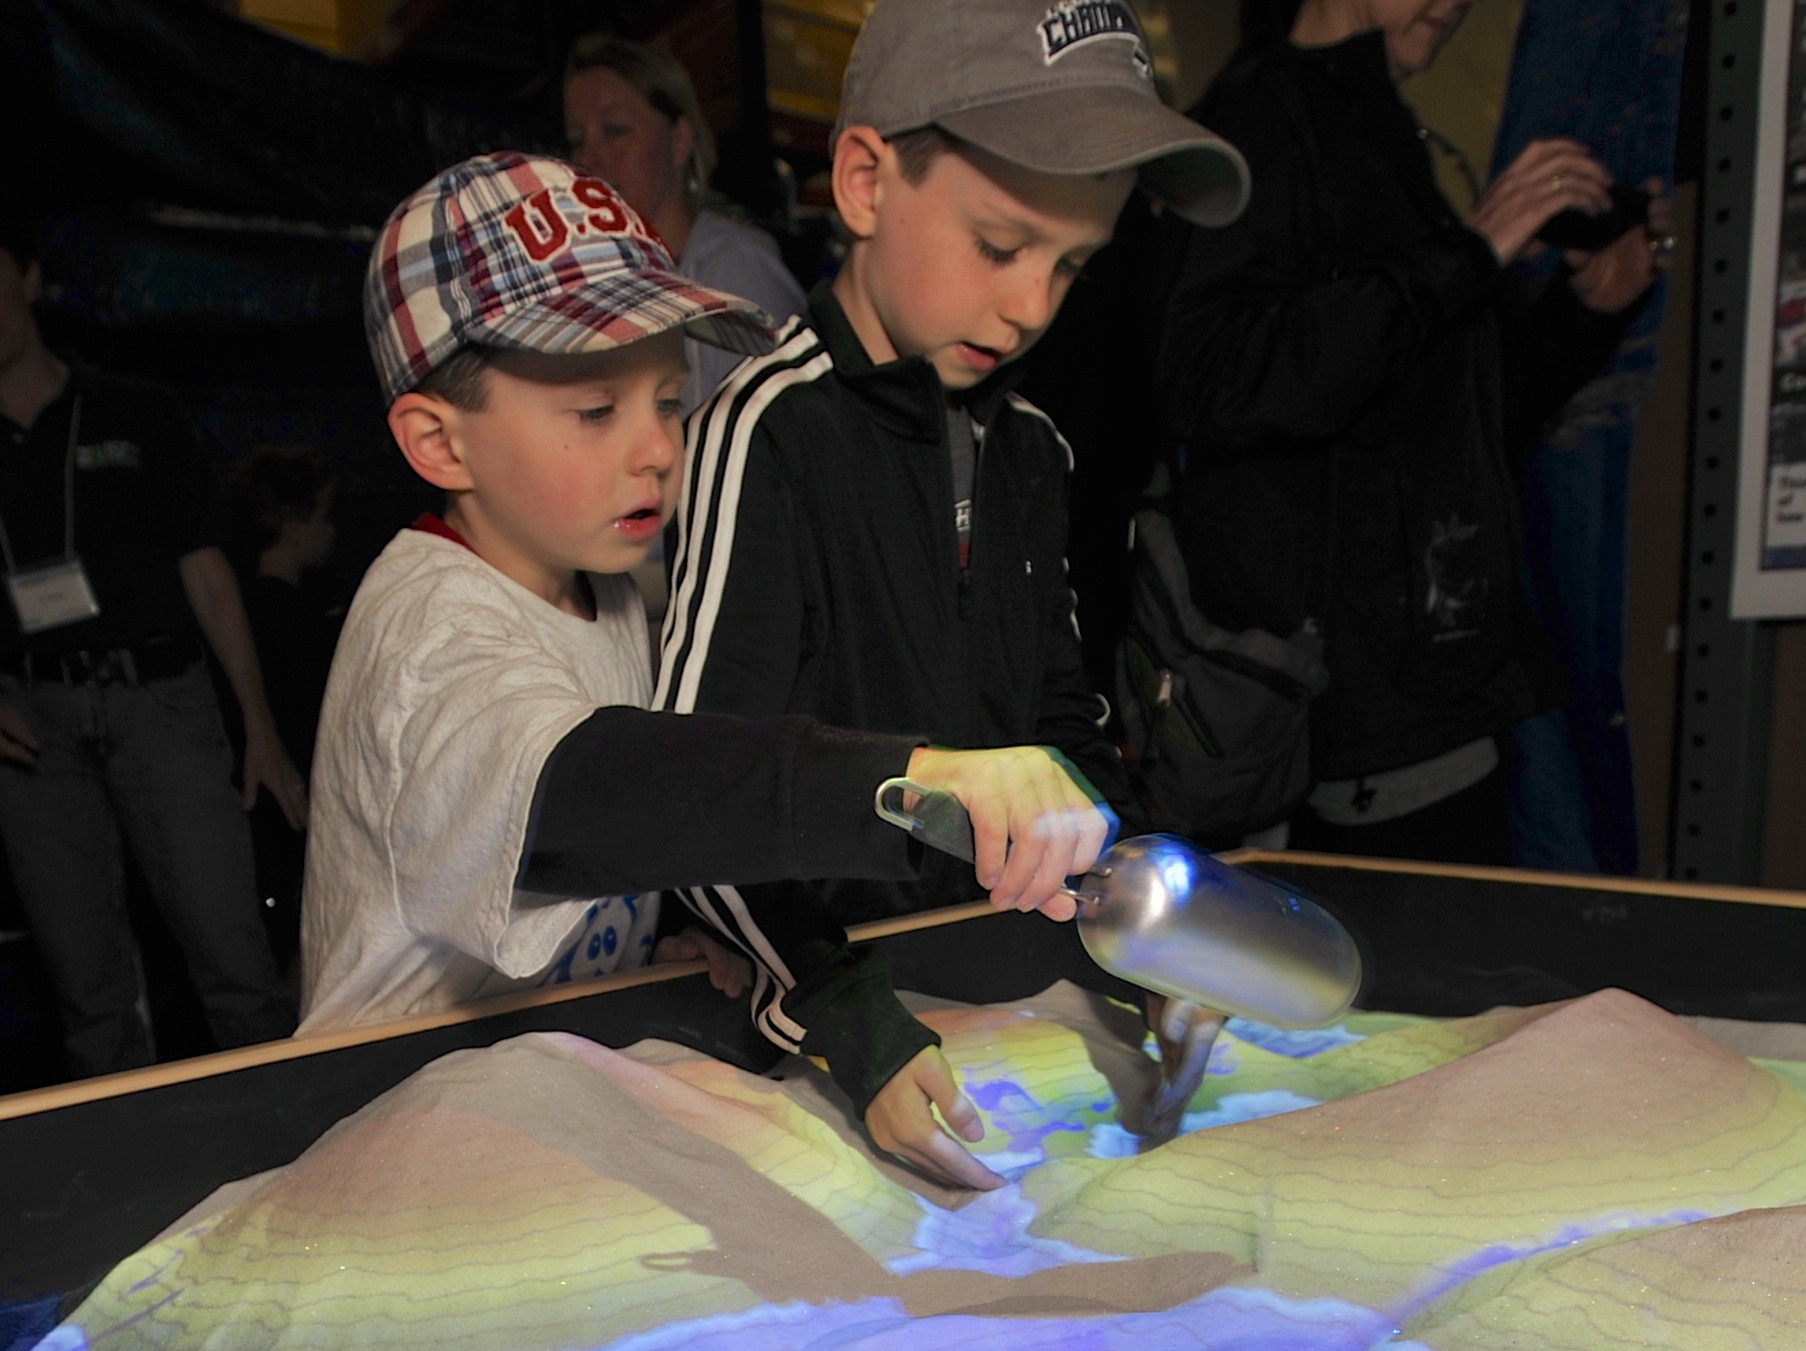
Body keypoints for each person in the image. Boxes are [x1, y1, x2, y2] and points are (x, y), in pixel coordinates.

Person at [298, 151, 1110, 1090]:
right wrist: (908, 780)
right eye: (597, 410)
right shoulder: (428, 630)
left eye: (670, 401)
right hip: (387, 1112)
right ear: (439, 441)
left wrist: (660, 932)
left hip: (528, 1086)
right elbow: (596, 792)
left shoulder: (599, 588)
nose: (655, 449)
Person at [657, 0, 1250, 1188]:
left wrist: (1150, 949)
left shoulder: (1036, 449)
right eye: (998, 245)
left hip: (997, 1012)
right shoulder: (763, 433)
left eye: (1071, 265)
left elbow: (1063, 735)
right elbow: (693, 795)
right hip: (822, 1040)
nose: (1032, 305)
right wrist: (844, 1016)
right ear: (867, 181)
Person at [1147, 0, 1668, 864]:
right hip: (1342, 722)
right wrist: (1468, 252)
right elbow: (1216, 377)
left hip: (1435, 693)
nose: (1453, 4)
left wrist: (1587, 309)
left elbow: (1448, 417)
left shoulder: (1379, 129)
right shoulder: (1258, 116)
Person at [0, 212, 300, 1076]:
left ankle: (295, 1155)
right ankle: (125, 1184)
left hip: (160, 701)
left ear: (26, 278)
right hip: (32, 725)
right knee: (86, 983)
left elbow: (206, 571)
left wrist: (260, 730)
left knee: (231, 951)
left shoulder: (135, 409)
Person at [563, 33, 807, 413]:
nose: (589, 158)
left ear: (679, 140)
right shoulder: (599, 287)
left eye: (615, 131)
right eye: (577, 140)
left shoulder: (734, 270)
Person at [230, 446, 341, 977]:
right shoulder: (290, 620)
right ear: (295, 524)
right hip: (295, 807)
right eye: (325, 516)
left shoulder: (247, 613)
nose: (333, 531)